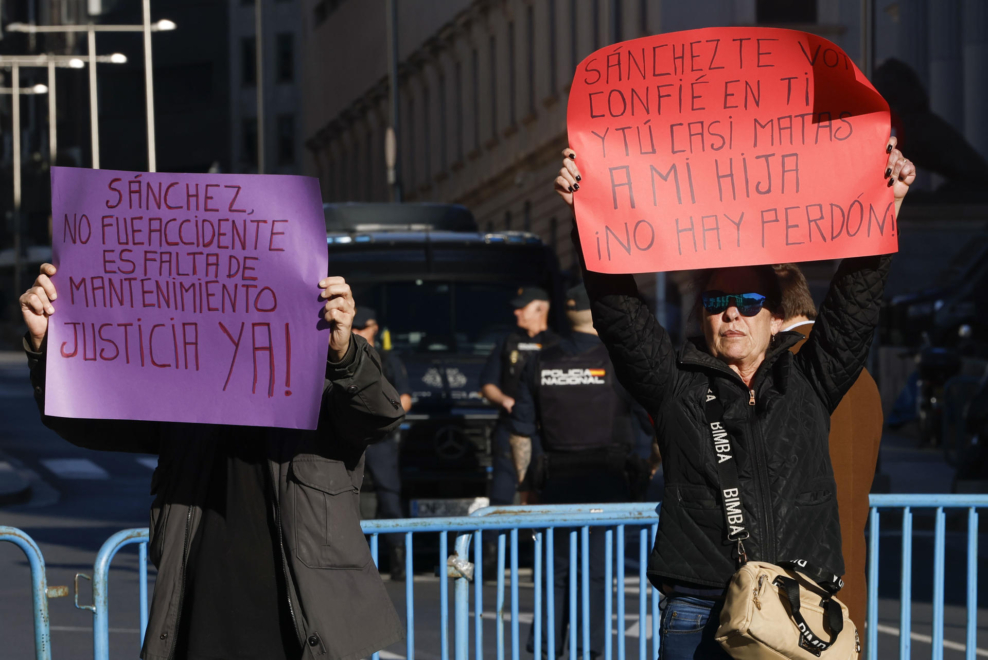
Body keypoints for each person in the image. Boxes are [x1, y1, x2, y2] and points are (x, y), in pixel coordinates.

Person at [553, 138, 915, 659]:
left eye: (748, 302)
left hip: (796, 604)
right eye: (717, 303)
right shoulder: (673, 383)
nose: (732, 314)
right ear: (703, 316)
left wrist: (887, 206)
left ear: (774, 318)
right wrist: (585, 217)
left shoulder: (808, 379)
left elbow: (854, 308)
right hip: (701, 608)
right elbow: (620, 316)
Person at [20, 263, 405, 660]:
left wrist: (344, 355)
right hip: (198, 629)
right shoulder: (183, 392)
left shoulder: (321, 385)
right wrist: (47, 347)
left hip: (303, 635)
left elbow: (379, 414)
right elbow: (86, 417)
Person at [509, 283, 654, 659]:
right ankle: (589, 651)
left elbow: (521, 432)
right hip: (608, 486)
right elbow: (655, 424)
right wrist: (652, 467)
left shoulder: (538, 362)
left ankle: (545, 648)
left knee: (551, 575)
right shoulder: (619, 362)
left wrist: (526, 488)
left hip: (553, 485)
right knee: (596, 575)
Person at [773, 262, 884, 637]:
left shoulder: (783, 368)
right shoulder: (863, 377)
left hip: (792, 586)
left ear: (772, 313)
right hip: (847, 577)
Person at [479, 286, 557, 571]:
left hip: (545, 433)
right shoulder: (507, 342)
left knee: (543, 494)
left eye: (523, 306)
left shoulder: (557, 345)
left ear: (540, 309)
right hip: (510, 429)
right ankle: (490, 559)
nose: (516, 312)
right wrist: (506, 401)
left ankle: (543, 561)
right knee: (501, 493)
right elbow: (487, 384)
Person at [352, 307, 414, 581]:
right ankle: (359, 563)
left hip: (380, 438)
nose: (355, 332)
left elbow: (405, 398)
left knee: (390, 498)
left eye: (361, 327)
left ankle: (398, 560)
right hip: (351, 436)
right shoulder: (340, 354)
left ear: (374, 328)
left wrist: (386, 419)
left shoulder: (388, 359)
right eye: (353, 327)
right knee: (351, 499)